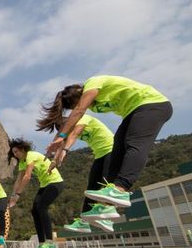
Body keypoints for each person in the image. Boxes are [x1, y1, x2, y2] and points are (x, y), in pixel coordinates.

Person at [44, 76, 172, 208]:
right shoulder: (93, 106)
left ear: (80, 96)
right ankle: (107, 205)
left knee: (134, 143)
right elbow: (68, 132)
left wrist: (62, 138)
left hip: (153, 104)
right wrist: (56, 152)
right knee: (117, 151)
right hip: (132, 112)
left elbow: (79, 113)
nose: (79, 107)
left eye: (76, 104)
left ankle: (121, 188)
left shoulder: (92, 83)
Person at [37, 113, 117, 233]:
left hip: (112, 149)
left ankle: (107, 217)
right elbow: (62, 144)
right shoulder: (69, 131)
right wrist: (54, 161)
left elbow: (73, 135)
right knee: (92, 188)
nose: (67, 132)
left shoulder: (82, 118)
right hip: (100, 154)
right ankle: (84, 222)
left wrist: (65, 150)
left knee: (107, 184)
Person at [7, 138, 62, 248]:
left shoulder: (31, 155)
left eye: (16, 152)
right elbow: (18, 180)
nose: (15, 155)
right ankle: (42, 244)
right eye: (13, 153)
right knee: (34, 210)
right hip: (45, 185)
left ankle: (50, 243)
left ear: (23, 149)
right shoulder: (22, 162)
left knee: (42, 207)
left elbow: (27, 177)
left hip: (55, 183)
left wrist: (18, 195)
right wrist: (12, 196)